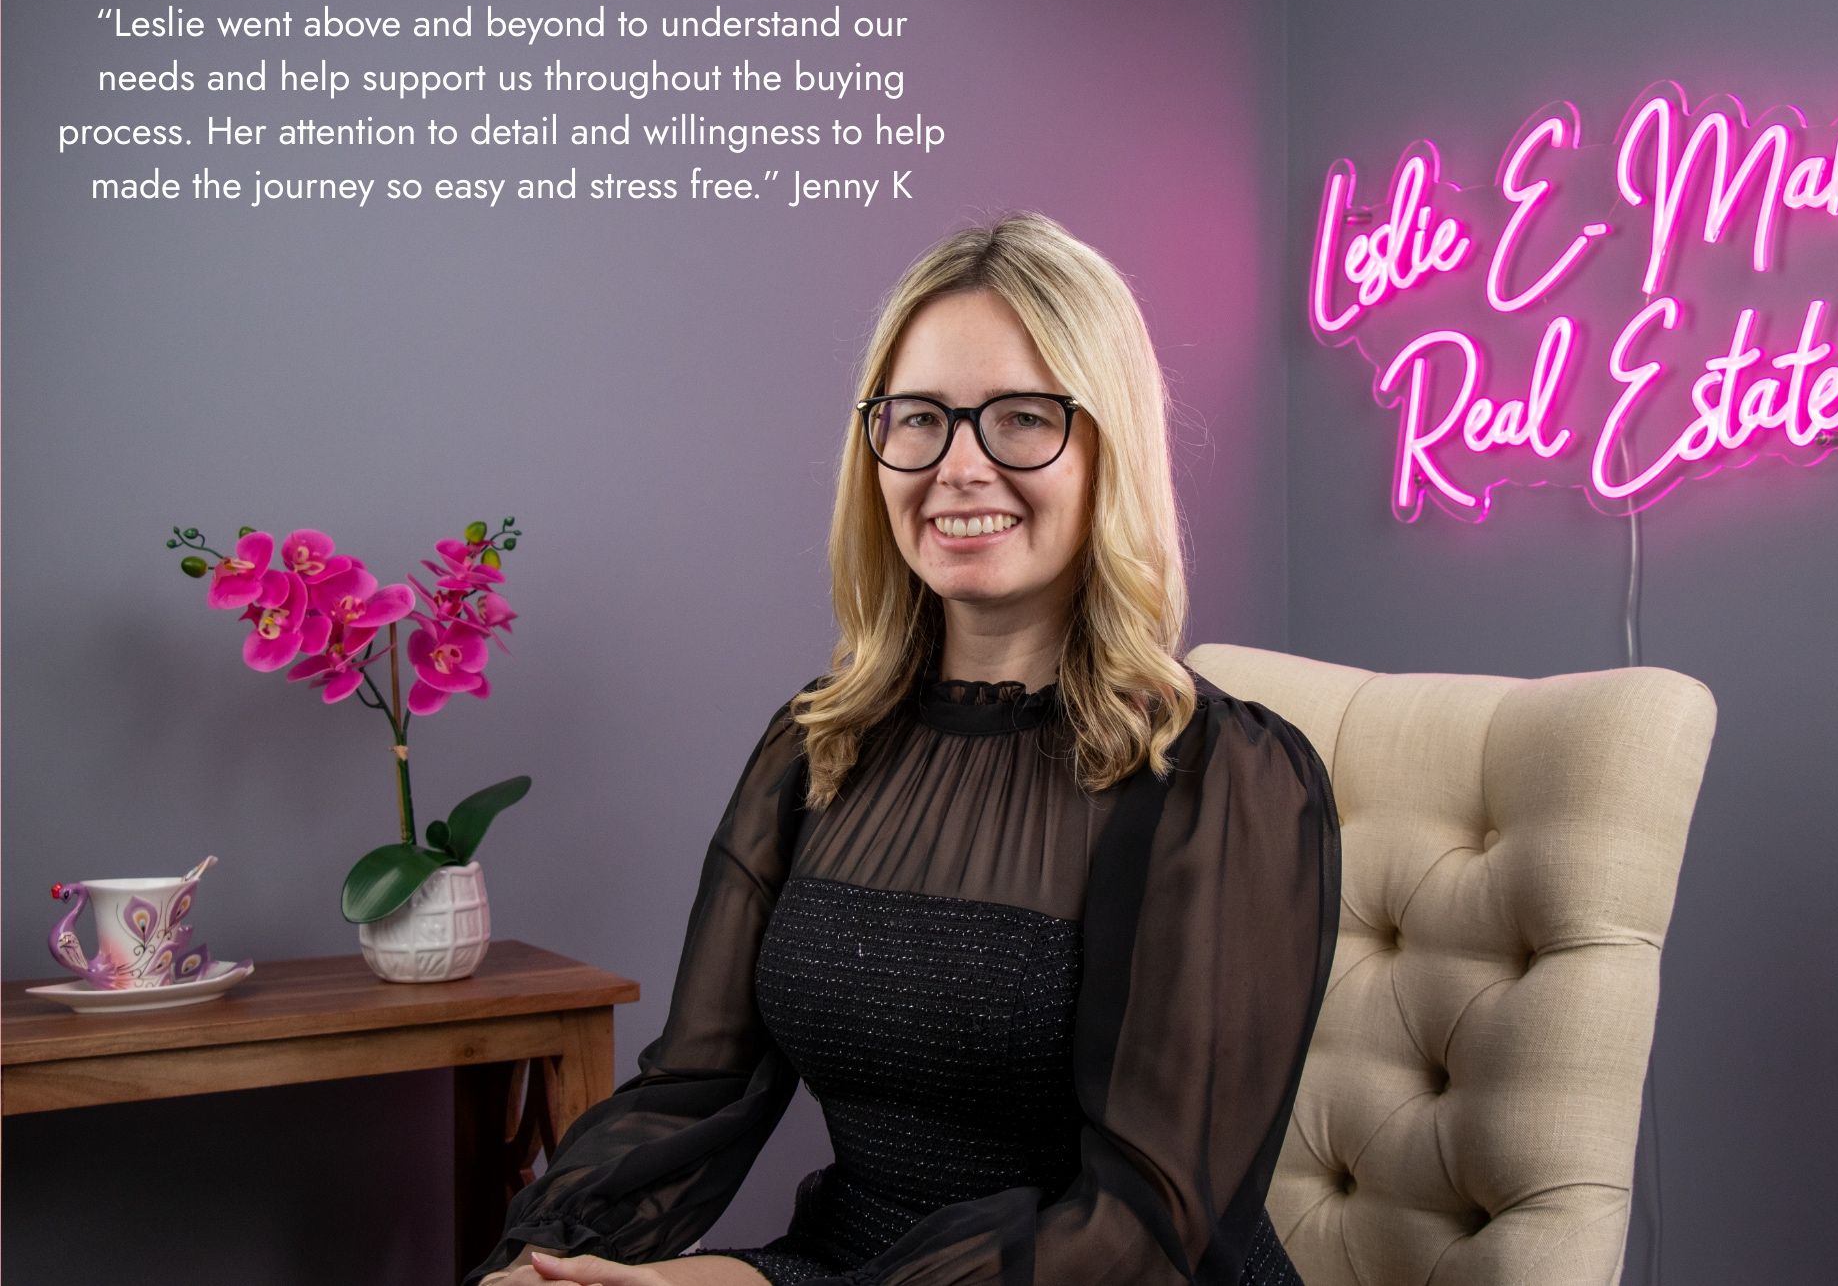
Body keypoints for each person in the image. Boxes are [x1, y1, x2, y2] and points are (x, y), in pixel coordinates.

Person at [470, 213, 1339, 1286]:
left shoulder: (1222, 779)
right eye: (918, 418)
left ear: (1107, 444)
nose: (957, 467)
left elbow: (1144, 1223)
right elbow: (694, 1089)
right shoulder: (815, 743)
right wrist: (546, 1257)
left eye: (1021, 418)